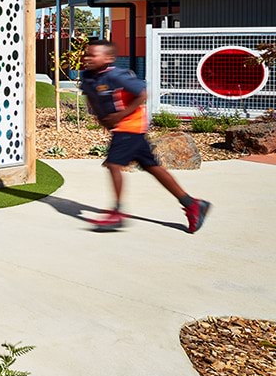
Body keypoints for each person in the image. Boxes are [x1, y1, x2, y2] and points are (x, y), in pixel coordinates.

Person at [80, 39, 211, 232]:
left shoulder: (118, 76)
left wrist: (119, 116)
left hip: (130, 125)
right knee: (152, 167)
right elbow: (92, 97)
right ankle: (192, 204)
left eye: (93, 55)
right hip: (121, 128)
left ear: (109, 58)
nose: (88, 58)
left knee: (114, 164)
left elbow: (142, 94)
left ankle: (117, 213)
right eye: (87, 54)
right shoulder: (87, 76)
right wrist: (102, 120)